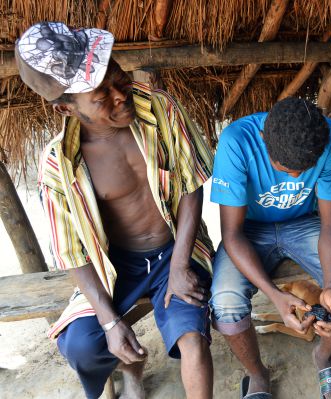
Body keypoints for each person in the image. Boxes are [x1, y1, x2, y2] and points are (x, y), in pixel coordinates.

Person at [16, 22, 215, 399]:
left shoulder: (159, 108)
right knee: (82, 346)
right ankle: (131, 368)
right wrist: (109, 322)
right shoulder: (59, 164)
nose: (119, 96)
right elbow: (73, 252)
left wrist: (179, 266)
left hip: (177, 248)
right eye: (101, 96)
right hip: (115, 266)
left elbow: (191, 186)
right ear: (66, 108)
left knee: (192, 335)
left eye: (117, 77)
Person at [209, 97, 331, 399]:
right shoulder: (236, 141)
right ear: (264, 140)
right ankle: (258, 374)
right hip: (249, 229)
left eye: (302, 169)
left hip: (304, 223)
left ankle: (322, 356)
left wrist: (330, 286)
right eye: (284, 168)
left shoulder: (330, 137)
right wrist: (274, 295)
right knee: (225, 302)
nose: (295, 176)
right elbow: (231, 234)